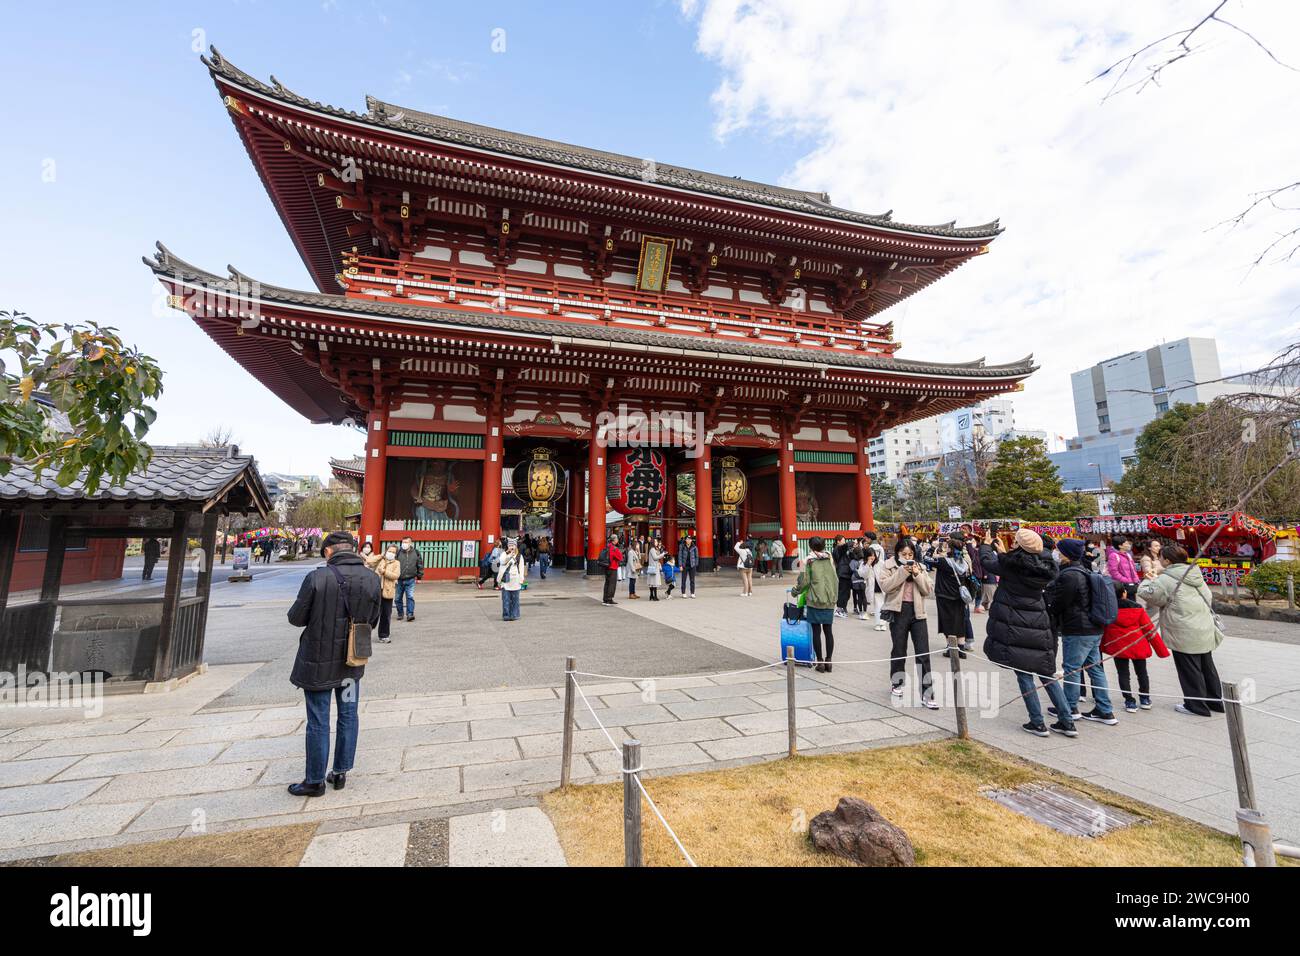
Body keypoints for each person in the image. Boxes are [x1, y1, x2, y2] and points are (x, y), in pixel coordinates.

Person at [285, 530, 380, 796]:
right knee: (349, 714)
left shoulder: (317, 577)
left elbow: (296, 618)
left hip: (317, 663)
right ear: (353, 549)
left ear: (328, 551)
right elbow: (372, 620)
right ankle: (340, 772)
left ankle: (314, 780)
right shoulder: (371, 579)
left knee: (318, 719)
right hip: (352, 661)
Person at [980, 528, 1076, 737]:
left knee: (1024, 675)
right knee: (1047, 674)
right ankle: (1067, 721)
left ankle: (1037, 722)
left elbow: (988, 563)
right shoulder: (1046, 567)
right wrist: (1008, 554)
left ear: (1019, 545)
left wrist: (987, 546)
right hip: (1038, 623)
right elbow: (1020, 561)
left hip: (1015, 623)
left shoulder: (1011, 566)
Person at [1137, 544, 1225, 717]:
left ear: (1168, 561)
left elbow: (1147, 594)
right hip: (1203, 626)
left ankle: (1196, 705)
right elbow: (1208, 596)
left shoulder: (1166, 578)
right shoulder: (1195, 573)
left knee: (1189, 668)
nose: (1159, 560)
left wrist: (1149, 578)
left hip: (1183, 629)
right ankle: (1215, 702)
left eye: (1161, 557)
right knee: (1207, 666)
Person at [1047, 539, 1117, 725]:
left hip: (1078, 628)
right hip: (1093, 627)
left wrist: (1050, 608)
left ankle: (1069, 707)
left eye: (1060, 551)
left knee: (1072, 669)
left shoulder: (1070, 575)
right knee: (1095, 669)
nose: (1058, 554)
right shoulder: (1084, 570)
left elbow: (1061, 602)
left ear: (1066, 554)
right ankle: (1104, 709)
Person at [879, 540, 939, 708]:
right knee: (899, 649)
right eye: (903, 554)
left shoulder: (920, 566)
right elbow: (885, 586)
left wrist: (916, 574)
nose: (907, 557)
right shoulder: (888, 565)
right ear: (897, 553)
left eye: (910, 555)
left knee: (923, 652)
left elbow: (928, 589)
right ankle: (897, 683)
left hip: (918, 611)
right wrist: (902, 572)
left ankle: (927, 693)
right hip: (898, 611)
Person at [1102, 580, 1169, 713]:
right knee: (1142, 672)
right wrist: (1162, 651)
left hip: (1119, 647)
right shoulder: (1137, 609)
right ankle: (1144, 698)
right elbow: (1149, 630)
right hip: (1138, 646)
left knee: (1123, 674)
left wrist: (1102, 647)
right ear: (1125, 593)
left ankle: (1129, 701)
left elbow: (1103, 631)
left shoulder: (1108, 611)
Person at [791, 536, 838, 673]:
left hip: (815, 599)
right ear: (824, 545)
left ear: (810, 547)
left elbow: (804, 581)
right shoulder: (829, 557)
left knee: (816, 631)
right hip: (829, 598)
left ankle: (820, 662)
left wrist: (795, 591)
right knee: (828, 631)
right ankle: (829, 660)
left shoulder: (808, 560)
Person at [933, 533, 974, 654]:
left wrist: (934, 547)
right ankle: (961, 648)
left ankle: (951, 648)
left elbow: (926, 559)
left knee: (947, 622)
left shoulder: (943, 562)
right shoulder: (964, 562)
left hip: (944, 595)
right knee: (960, 621)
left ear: (950, 549)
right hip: (960, 596)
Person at [372, 544, 401, 643]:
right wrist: (381, 555)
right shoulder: (381, 560)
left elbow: (396, 575)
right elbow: (369, 561)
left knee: (386, 614)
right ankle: (366, 632)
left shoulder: (396, 563)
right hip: (376, 590)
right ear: (386, 551)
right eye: (390, 551)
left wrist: (384, 572)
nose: (391, 553)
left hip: (388, 591)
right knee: (373, 613)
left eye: (393, 552)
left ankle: (384, 635)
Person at [496, 538, 526, 621]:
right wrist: (509, 554)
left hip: (515, 580)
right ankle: (506, 615)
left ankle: (514, 615)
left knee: (515, 599)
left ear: (516, 546)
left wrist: (521, 579)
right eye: (510, 545)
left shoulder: (520, 556)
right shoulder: (504, 554)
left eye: (513, 545)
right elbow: (502, 561)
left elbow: (521, 568)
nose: (511, 547)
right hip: (506, 580)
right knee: (506, 599)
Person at [395, 536, 423, 621]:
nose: (404, 544)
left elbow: (420, 565)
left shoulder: (416, 552)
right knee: (397, 598)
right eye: (403, 542)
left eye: (406, 542)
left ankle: (410, 614)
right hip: (399, 579)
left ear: (410, 543)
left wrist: (419, 577)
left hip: (410, 579)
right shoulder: (398, 552)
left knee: (410, 597)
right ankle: (400, 613)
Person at [1106, 536, 1141, 601]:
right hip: (1122, 587)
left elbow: (1133, 570)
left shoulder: (1128, 555)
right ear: (1120, 546)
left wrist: (1136, 580)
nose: (1129, 545)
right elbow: (1114, 573)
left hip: (1131, 585)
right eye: (1126, 543)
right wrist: (1126, 580)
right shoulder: (1113, 556)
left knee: (1132, 605)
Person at [831, 534, 853, 618]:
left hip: (846, 573)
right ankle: (839, 609)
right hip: (842, 573)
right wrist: (851, 543)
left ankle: (843, 608)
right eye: (843, 541)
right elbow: (844, 547)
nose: (844, 542)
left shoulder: (843, 550)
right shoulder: (837, 549)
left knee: (846, 593)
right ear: (838, 541)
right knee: (842, 592)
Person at [599, 533, 623, 606]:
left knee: (607, 583)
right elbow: (620, 557)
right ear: (614, 540)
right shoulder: (614, 548)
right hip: (613, 567)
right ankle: (609, 599)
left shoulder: (607, 546)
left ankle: (605, 599)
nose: (617, 540)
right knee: (612, 584)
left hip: (606, 567)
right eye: (617, 539)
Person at [849, 546, 869, 619]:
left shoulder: (852, 562)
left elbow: (852, 570)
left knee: (859, 596)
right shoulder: (863, 561)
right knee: (864, 596)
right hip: (863, 580)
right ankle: (865, 612)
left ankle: (860, 612)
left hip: (855, 580)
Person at [678, 534, 699, 598]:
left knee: (692, 580)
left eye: (689, 539)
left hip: (692, 565)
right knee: (683, 580)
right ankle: (683, 593)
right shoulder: (682, 546)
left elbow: (696, 556)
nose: (688, 540)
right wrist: (680, 565)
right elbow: (680, 556)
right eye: (687, 539)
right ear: (685, 540)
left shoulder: (694, 547)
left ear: (691, 540)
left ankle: (692, 593)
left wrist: (695, 564)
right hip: (684, 565)